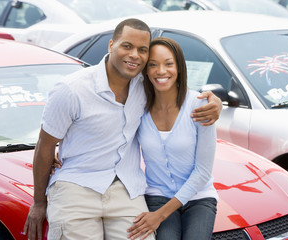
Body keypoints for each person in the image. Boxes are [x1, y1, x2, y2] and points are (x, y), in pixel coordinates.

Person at [23, 18, 222, 240]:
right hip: (76, 187)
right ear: (111, 45)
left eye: (142, 50)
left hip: (125, 189)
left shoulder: (144, 86)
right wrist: (39, 202)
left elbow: (176, 91)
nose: (134, 55)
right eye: (127, 46)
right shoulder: (72, 90)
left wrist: (215, 102)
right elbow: (45, 145)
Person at [126, 37, 218, 240]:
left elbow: (203, 173)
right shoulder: (139, 107)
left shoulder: (199, 105)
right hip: (158, 194)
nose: (161, 71)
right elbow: (109, 134)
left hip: (199, 196)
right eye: (153, 65)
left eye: (168, 64)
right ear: (146, 70)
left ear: (179, 68)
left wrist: (159, 216)